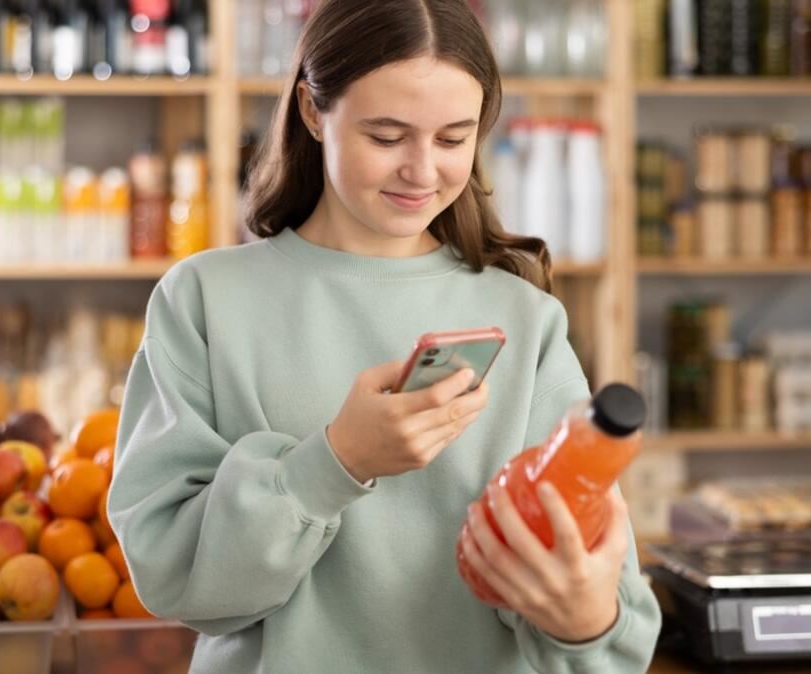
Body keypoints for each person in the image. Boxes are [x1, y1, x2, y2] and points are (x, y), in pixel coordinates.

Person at [107, 0, 662, 671]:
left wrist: (584, 622)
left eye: (453, 140)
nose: (423, 171)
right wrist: (337, 461)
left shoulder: (526, 320)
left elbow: (613, 615)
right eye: (388, 137)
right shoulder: (204, 300)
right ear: (314, 111)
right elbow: (173, 578)